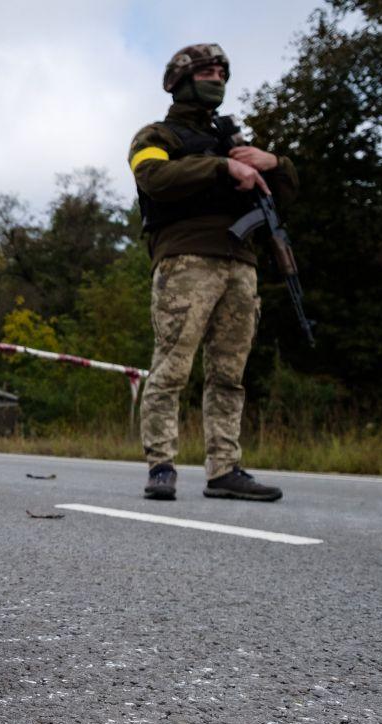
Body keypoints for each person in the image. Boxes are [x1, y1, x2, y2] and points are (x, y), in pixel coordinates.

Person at [129, 44, 299, 502]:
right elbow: (154, 180)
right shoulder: (156, 136)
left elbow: (286, 193)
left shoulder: (233, 139)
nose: (217, 77)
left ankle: (224, 468)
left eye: (223, 71)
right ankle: (161, 466)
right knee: (172, 367)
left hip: (241, 266)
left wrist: (273, 162)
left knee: (229, 374)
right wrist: (223, 166)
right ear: (181, 80)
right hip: (186, 260)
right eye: (207, 70)